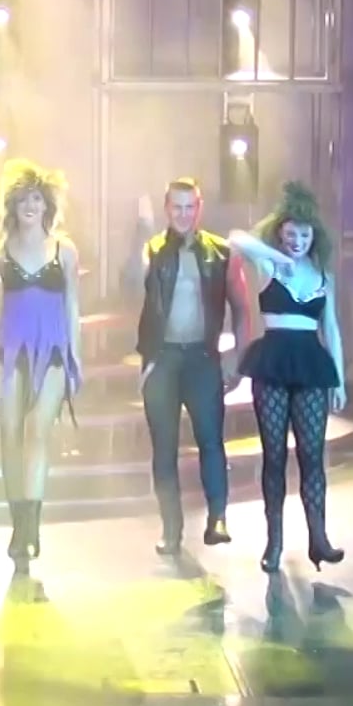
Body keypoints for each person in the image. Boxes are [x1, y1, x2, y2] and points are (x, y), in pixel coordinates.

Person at [0, 160, 82, 575]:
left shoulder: (64, 251)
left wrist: (76, 360)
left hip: (54, 351)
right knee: (9, 433)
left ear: (48, 205)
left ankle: (32, 524)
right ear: (12, 205)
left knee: (37, 430)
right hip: (11, 352)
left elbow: (73, 306)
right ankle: (18, 524)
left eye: (37, 199)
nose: (31, 206)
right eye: (24, 199)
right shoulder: (1, 251)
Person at [227, 182, 349, 573]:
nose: (297, 241)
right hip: (273, 362)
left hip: (311, 363)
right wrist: (275, 257)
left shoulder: (324, 274)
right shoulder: (269, 265)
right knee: (274, 455)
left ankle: (319, 538)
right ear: (280, 231)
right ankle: (274, 543)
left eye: (304, 234)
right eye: (291, 233)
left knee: (312, 455)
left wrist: (340, 379)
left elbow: (332, 328)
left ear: (315, 235)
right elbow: (236, 238)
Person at [133, 178, 248, 555]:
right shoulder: (153, 249)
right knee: (164, 448)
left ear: (199, 209)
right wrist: (140, 233)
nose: (183, 214)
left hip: (202, 357)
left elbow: (241, 307)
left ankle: (218, 517)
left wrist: (239, 354)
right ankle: (171, 530)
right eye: (176, 207)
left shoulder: (220, 252)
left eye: (189, 207)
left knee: (211, 440)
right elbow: (132, 287)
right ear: (167, 209)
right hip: (163, 359)